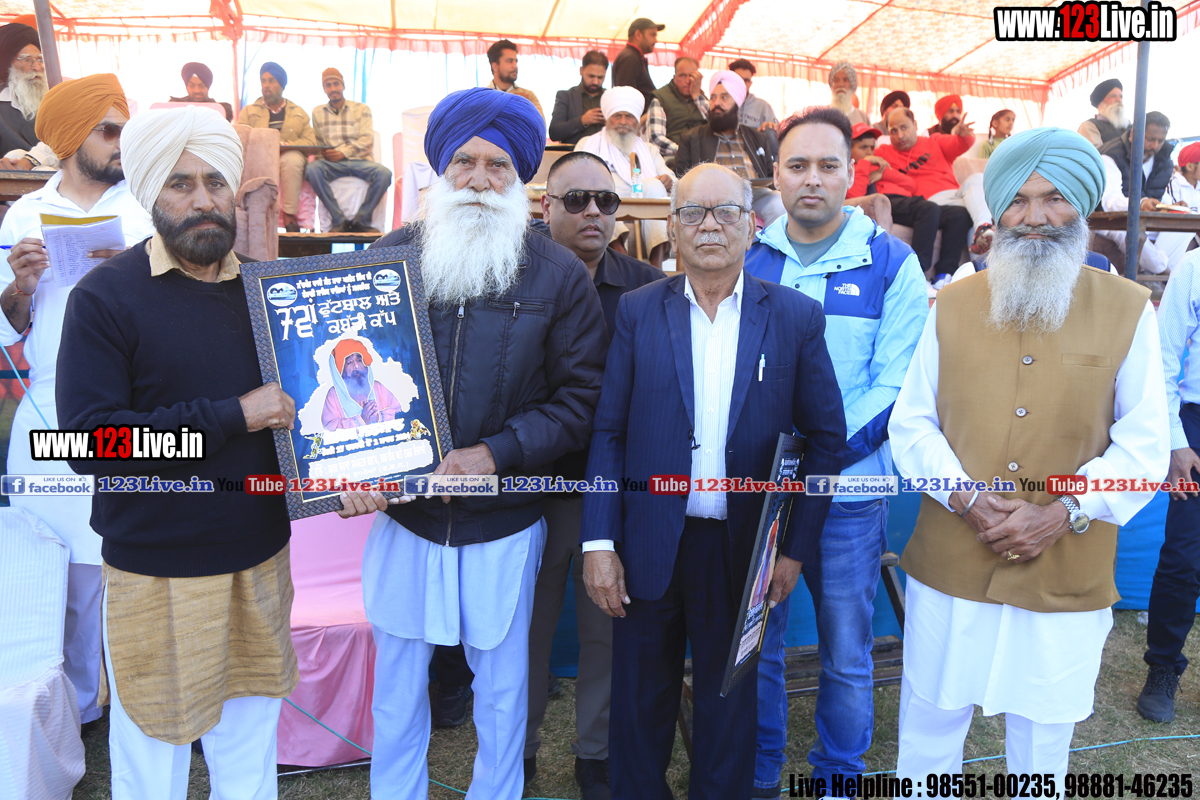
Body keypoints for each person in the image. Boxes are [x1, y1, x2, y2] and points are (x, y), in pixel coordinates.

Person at [336, 86, 607, 800]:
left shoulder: (557, 275)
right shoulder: (387, 258)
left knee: (504, 692)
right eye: (465, 162)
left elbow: (580, 400)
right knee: (397, 690)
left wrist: (496, 453)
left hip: (505, 521)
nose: (480, 180)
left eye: (498, 165)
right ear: (440, 168)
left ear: (520, 178)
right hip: (406, 517)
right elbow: (343, 381)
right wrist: (352, 468)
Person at [889, 127, 1169, 783]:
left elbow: (1145, 446)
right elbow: (913, 425)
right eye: (1017, 199)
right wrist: (965, 497)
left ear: (1083, 206)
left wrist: (1064, 511)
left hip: (1065, 562)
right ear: (997, 210)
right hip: (952, 556)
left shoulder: (1129, 309)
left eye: (1054, 198)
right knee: (930, 727)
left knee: (1042, 743)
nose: (1035, 216)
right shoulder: (951, 303)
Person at [581, 162, 846, 800]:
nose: (709, 225)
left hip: (745, 548)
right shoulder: (638, 312)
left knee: (729, 707)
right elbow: (609, 433)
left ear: (751, 227)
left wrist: (793, 550)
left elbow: (825, 439)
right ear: (671, 228)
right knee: (639, 702)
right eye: (693, 212)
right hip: (648, 542)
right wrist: (599, 543)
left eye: (725, 211)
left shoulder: (795, 316)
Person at [57, 105, 299, 800]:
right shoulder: (104, 297)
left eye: (216, 183)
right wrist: (231, 416)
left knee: (248, 750)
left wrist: (350, 471)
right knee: (153, 753)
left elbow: (311, 414)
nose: (203, 200)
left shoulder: (270, 291)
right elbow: (89, 442)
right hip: (157, 565)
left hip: (259, 556)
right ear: (150, 191)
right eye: (181, 184)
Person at [744, 106, 928, 797]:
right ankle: (760, 772)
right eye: (797, 166)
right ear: (777, 175)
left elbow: (897, 383)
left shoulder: (892, 262)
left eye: (828, 165)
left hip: (848, 491)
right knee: (756, 642)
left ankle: (839, 778)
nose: (812, 179)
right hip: (759, 491)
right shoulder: (750, 256)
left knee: (846, 650)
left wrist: (819, 457)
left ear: (853, 174)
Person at [0, 73, 153, 737]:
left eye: (125, 128)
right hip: (49, 411)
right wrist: (19, 287)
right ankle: (71, 709)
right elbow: (9, 328)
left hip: (132, 408)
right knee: (54, 571)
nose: (121, 142)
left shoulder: (148, 206)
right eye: (108, 130)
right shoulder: (24, 215)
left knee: (120, 565)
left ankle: (133, 706)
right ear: (68, 139)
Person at [525, 150, 664, 799]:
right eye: (576, 200)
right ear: (545, 206)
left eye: (605, 202)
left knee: (605, 627)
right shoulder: (513, 276)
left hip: (612, 492)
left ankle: (597, 755)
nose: (592, 213)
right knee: (524, 630)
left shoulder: (646, 286)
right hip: (529, 487)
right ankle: (517, 751)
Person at [1144, 246, 1200, 722]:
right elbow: (1160, 358)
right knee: (1184, 555)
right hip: (1195, 428)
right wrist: (1175, 441)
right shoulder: (1195, 268)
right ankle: (1162, 667)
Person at [876, 106, 991, 271]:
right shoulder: (884, 153)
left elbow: (959, 143)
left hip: (956, 196)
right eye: (893, 131)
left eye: (904, 127)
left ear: (915, 125)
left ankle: (983, 228)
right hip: (931, 202)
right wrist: (871, 158)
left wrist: (963, 135)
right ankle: (983, 271)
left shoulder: (934, 141)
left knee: (977, 179)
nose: (900, 135)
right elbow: (860, 157)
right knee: (976, 209)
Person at [577, 85, 672, 266]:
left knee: (654, 185)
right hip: (605, 207)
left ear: (636, 121)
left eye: (629, 116)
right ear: (608, 119)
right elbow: (574, 178)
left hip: (643, 210)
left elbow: (672, 180)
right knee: (600, 192)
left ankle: (656, 267)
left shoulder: (649, 150)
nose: (622, 121)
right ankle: (625, 264)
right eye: (617, 116)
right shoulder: (587, 145)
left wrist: (668, 181)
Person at [674, 70, 785, 226]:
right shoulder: (692, 138)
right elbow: (681, 179)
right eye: (713, 98)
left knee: (778, 203)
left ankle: (769, 243)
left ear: (737, 103)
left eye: (724, 97)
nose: (716, 103)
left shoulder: (756, 137)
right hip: (713, 197)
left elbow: (769, 176)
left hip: (755, 194)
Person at [307, 67, 392, 233]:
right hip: (331, 164)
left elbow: (367, 141)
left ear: (343, 85)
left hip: (359, 162)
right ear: (324, 89)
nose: (333, 88)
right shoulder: (317, 112)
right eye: (328, 85)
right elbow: (318, 143)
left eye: (336, 84)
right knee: (312, 169)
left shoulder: (362, 109)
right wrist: (324, 153)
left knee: (384, 174)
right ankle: (338, 220)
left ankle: (362, 221)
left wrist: (343, 153)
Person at [236, 61, 318, 232]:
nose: (266, 85)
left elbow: (311, 142)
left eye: (272, 81)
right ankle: (256, 217)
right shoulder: (249, 111)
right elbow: (239, 138)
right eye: (263, 81)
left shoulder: (298, 112)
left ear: (281, 85)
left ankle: (289, 214)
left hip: (288, 155)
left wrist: (288, 145)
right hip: (259, 156)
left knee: (293, 160)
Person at [1096, 111, 1180, 275]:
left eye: (1160, 141)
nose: (1155, 146)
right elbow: (1109, 201)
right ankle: (1165, 273)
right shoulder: (1111, 154)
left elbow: (1159, 194)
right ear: (1133, 135)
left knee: (1182, 232)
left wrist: (1173, 206)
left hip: (1147, 220)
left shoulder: (1164, 160)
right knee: (1129, 230)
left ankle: (1154, 272)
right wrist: (1140, 203)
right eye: (1151, 139)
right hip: (1110, 220)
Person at [321, 338, 404, 430]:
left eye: (359, 360)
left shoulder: (377, 387)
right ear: (341, 370)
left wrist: (379, 418)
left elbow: (400, 414)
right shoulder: (334, 395)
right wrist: (362, 420)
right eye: (349, 362)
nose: (356, 366)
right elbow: (329, 429)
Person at [647, 56, 709, 158]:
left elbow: (719, 126)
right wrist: (682, 151)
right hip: (673, 156)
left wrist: (697, 96)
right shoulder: (660, 98)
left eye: (692, 76)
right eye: (683, 76)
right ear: (674, 78)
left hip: (703, 156)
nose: (688, 80)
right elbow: (656, 138)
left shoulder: (702, 98)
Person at [843, 121, 898, 233]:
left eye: (872, 147)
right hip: (884, 204)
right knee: (927, 210)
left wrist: (881, 174)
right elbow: (855, 195)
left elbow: (910, 184)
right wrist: (865, 162)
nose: (869, 152)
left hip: (896, 201)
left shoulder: (875, 166)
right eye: (863, 147)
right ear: (848, 149)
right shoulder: (846, 169)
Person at [0, 23, 43, 157]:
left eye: (40, 59)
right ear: (7, 63)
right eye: (26, 60)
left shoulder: (56, 99)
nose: (36, 67)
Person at [549, 50, 608, 145]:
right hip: (574, 152)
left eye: (600, 77)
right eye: (591, 76)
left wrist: (612, 122)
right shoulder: (566, 96)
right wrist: (582, 121)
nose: (595, 82)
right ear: (581, 70)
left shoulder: (611, 98)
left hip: (606, 152)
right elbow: (554, 132)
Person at [486, 39, 544, 121]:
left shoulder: (528, 96)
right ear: (495, 66)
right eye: (510, 61)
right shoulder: (484, 97)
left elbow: (539, 124)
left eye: (515, 61)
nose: (515, 66)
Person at [612, 18, 662, 107]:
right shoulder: (630, 58)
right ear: (638, 35)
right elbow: (626, 99)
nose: (656, 41)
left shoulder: (633, 56)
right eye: (652, 35)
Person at [168, 62, 234, 121]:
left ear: (208, 87)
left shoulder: (223, 109)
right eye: (192, 86)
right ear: (186, 86)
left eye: (202, 86)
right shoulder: (173, 105)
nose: (197, 90)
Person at [728, 58, 778, 133]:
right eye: (739, 79)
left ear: (750, 84)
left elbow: (776, 129)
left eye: (746, 80)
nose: (743, 84)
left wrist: (772, 126)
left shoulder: (763, 107)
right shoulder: (719, 103)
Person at [1078, 78, 1128, 148]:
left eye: (1121, 96)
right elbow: (1096, 152)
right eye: (1113, 96)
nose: (1119, 100)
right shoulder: (1089, 125)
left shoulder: (1128, 125)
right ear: (1101, 103)